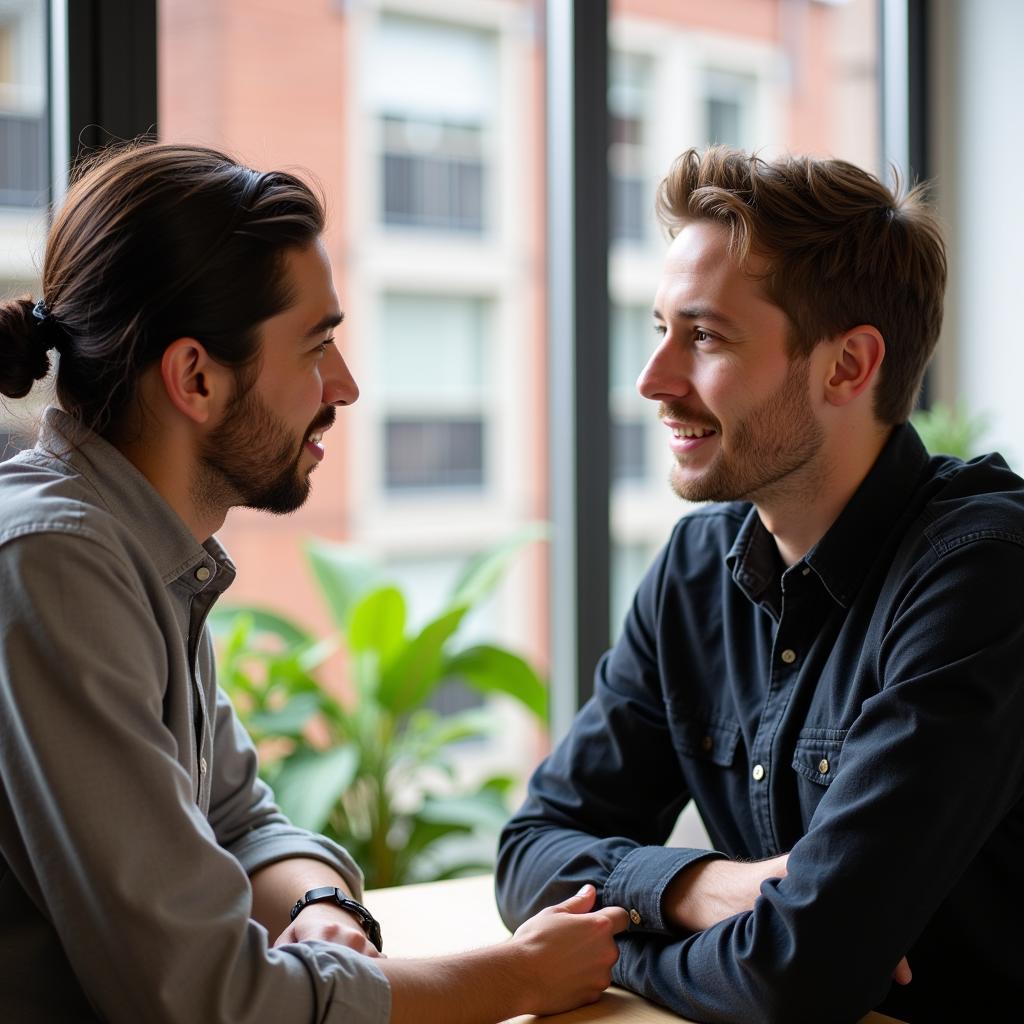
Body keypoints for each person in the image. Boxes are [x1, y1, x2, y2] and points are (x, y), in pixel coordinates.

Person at [0, 141, 628, 1023]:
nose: (347, 385)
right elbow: (204, 998)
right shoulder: (56, 563)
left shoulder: (141, 549)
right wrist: (518, 978)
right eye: (316, 346)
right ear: (196, 378)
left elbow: (245, 819)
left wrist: (319, 909)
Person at [495, 145, 1024, 1023]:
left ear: (848, 366)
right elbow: (529, 854)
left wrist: (591, 956)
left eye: (703, 337)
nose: (653, 380)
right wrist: (702, 887)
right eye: (659, 329)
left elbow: (796, 977)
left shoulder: (984, 576)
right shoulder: (698, 568)